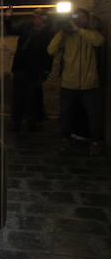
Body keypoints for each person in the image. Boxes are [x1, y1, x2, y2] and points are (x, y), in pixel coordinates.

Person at [47, 8, 105, 155]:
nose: (78, 20)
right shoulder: (66, 36)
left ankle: (95, 142)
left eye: (81, 17)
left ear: (87, 19)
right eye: (75, 17)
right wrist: (62, 32)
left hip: (89, 83)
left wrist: (78, 29)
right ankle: (65, 140)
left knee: (93, 114)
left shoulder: (91, 33)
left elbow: (99, 41)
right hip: (69, 83)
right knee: (66, 114)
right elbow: (51, 50)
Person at [4, 6, 54, 131]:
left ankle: (32, 122)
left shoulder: (48, 32)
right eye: (34, 14)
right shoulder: (27, 27)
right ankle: (17, 122)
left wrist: (47, 69)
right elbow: (10, 30)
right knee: (18, 96)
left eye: (37, 14)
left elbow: (49, 52)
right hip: (21, 66)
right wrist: (8, 17)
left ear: (44, 17)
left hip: (35, 69)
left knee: (32, 97)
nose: (34, 16)